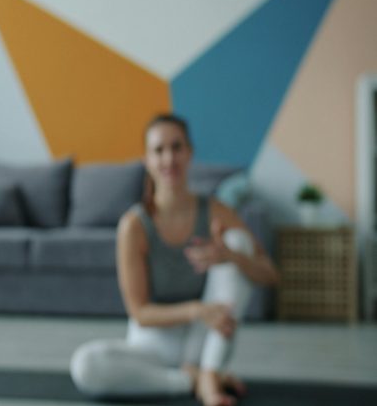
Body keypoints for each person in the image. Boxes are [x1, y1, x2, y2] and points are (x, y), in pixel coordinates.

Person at [70, 114, 278, 406]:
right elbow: (140, 312)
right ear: (146, 160)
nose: (169, 158)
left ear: (189, 153)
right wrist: (196, 310)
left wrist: (230, 256)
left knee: (238, 243)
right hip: (153, 346)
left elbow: (270, 274)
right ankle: (190, 381)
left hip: (203, 341)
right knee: (85, 365)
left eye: (176, 147)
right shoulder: (134, 225)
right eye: (159, 150)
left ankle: (210, 371)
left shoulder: (215, 210)